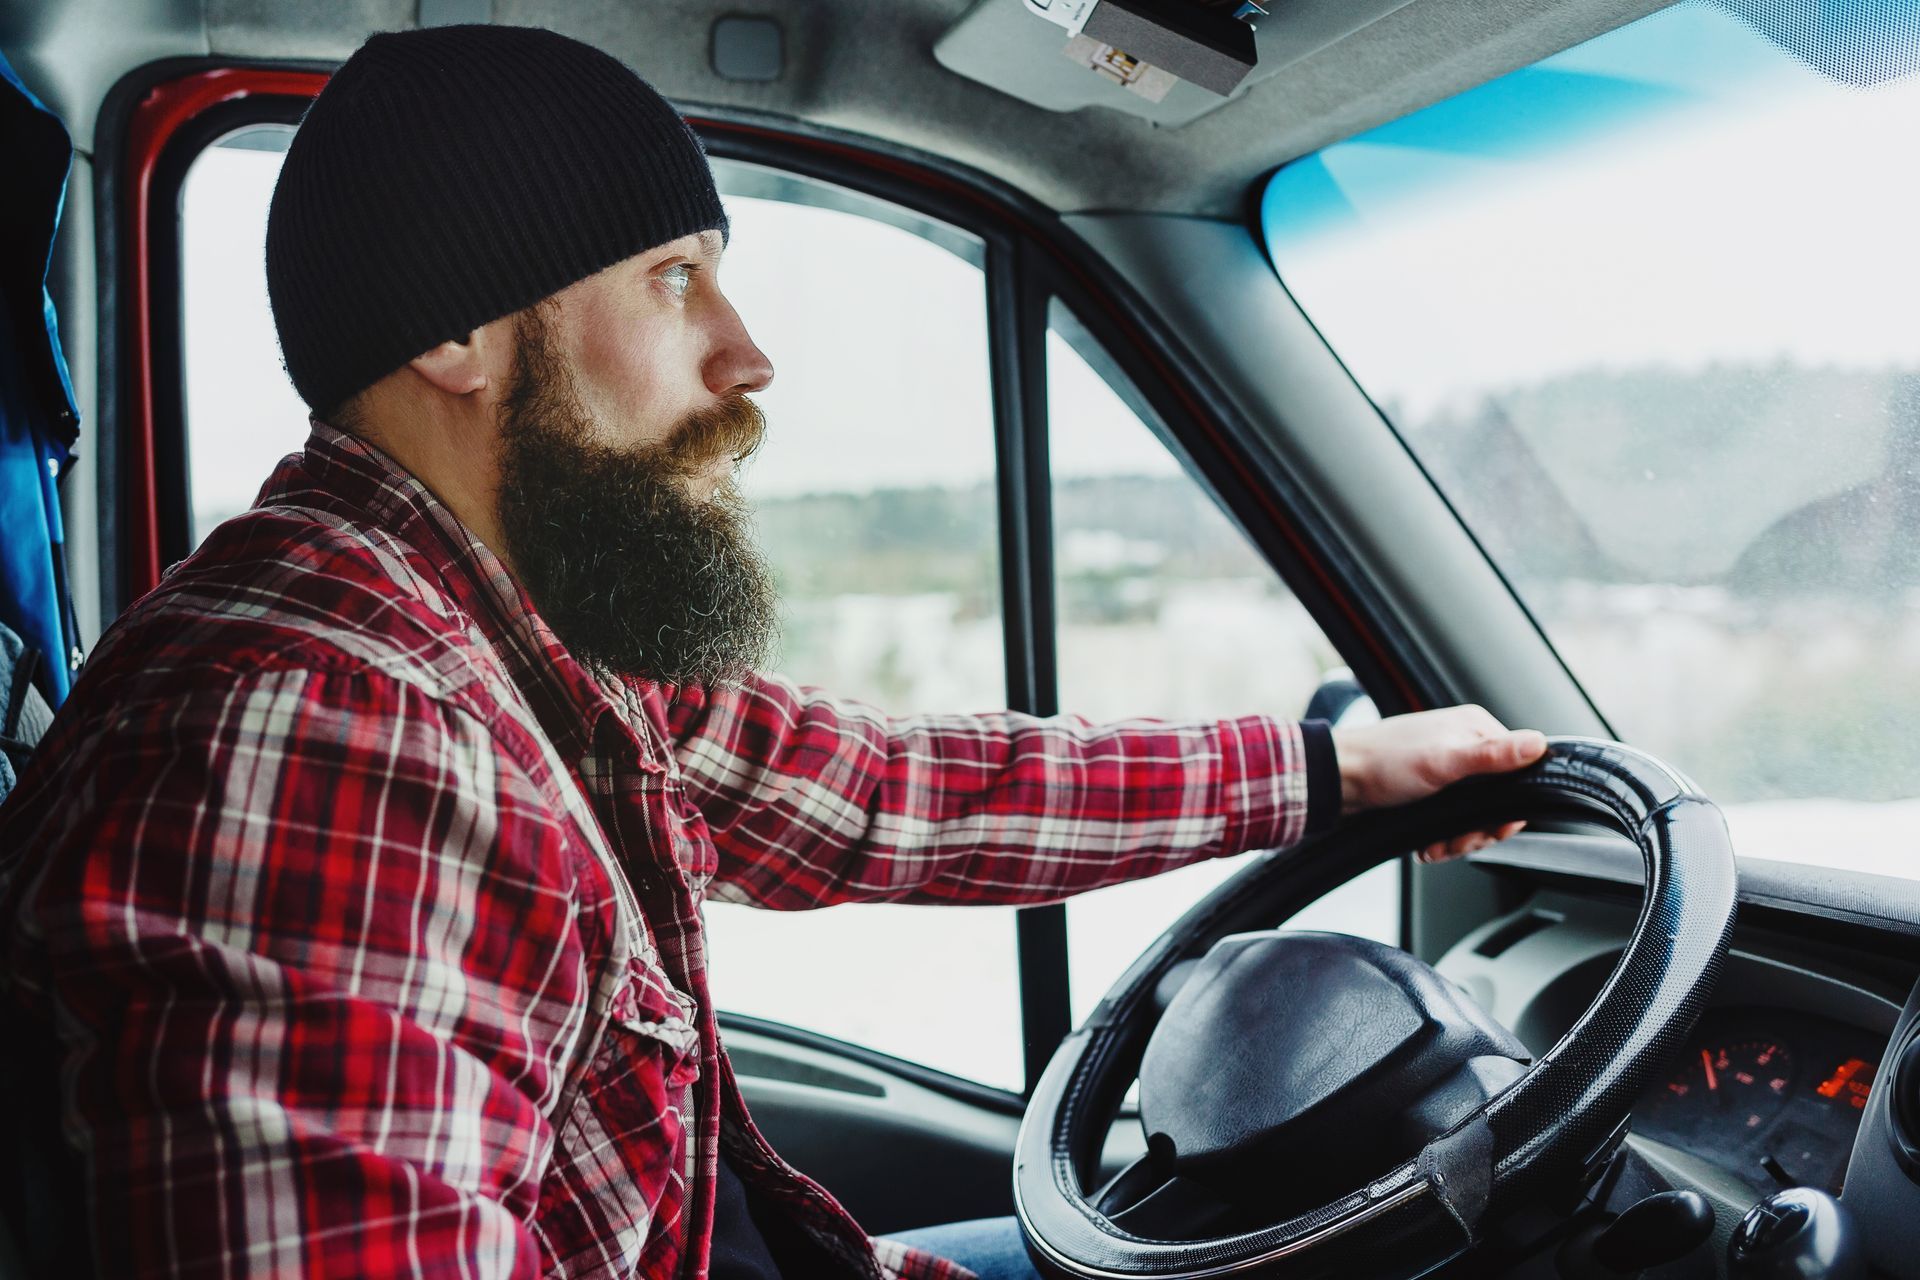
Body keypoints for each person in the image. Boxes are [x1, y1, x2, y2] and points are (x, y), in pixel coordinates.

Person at [0, 24, 1546, 1280]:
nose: (747, 356)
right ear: (456, 335)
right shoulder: (338, 733)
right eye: (675, 277)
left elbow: (885, 793)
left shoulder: (512, 629)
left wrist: (1328, 773)